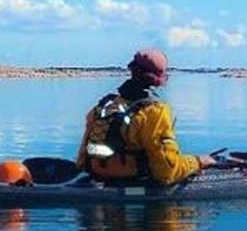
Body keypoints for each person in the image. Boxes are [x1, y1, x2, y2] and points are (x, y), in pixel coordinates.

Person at [76, 48, 216, 185]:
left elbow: (81, 160)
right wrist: (198, 162)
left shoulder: (105, 105)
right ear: (158, 79)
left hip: (95, 175)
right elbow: (167, 172)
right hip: (133, 186)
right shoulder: (154, 111)